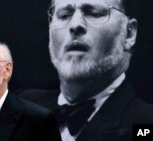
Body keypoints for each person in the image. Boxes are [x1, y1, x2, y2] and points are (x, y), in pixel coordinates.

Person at [18, 0, 153, 140]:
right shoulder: (19, 105)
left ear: (129, 33)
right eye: (64, 15)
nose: (75, 25)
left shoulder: (145, 124)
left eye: (94, 13)